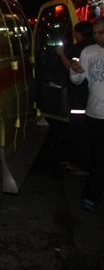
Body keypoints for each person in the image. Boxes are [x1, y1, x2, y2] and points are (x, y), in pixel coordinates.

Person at [69, 17, 104, 213]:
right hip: (93, 113)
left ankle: (90, 196)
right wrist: (75, 71)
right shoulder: (88, 52)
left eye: (101, 33)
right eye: (95, 33)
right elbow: (77, 79)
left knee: (100, 158)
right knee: (97, 156)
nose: (97, 36)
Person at [55, 21, 94, 175]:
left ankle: (80, 165)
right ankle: (76, 162)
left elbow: (71, 68)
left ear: (80, 33)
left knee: (78, 133)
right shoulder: (91, 47)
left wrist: (61, 53)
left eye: (75, 32)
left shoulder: (81, 49)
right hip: (87, 97)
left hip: (80, 98)